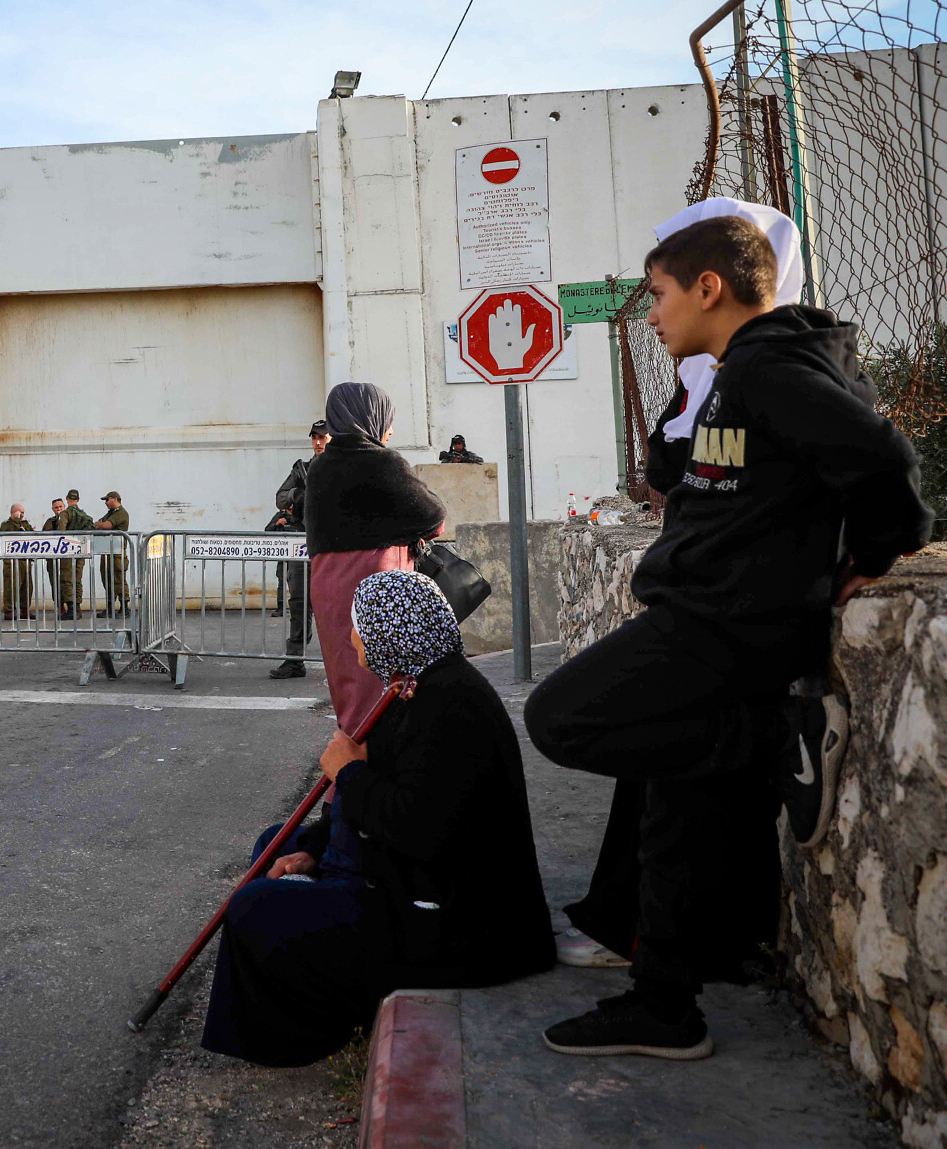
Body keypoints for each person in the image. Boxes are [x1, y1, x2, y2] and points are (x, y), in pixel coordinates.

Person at [525, 206, 931, 1060]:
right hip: (709, 617)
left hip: (725, 627)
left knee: (560, 716)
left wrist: (874, 552)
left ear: (710, 288)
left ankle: (760, 741)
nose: (653, 314)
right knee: (676, 796)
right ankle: (664, 1004)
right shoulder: (741, 368)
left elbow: (888, 464)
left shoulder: (770, 368)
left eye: (662, 295)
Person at [200, 570, 553, 1066]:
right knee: (277, 844)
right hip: (407, 881)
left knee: (254, 909)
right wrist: (316, 849)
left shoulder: (451, 707)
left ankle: (313, 1025)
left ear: (393, 630)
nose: (351, 638)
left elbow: (421, 829)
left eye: (360, 626)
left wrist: (348, 775)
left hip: (455, 929)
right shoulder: (421, 685)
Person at [302, 385, 446, 731]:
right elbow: (434, 518)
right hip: (377, 585)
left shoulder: (320, 468)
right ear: (370, 417)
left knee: (350, 688)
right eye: (388, 420)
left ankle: (352, 767)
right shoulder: (382, 461)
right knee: (385, 688)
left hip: (329, 586)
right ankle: (373, 775)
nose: (391, 430)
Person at [269, 420, 330, 680]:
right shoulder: (302, 469)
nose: (317, 442)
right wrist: (298, 495)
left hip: (332, 544)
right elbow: (280, 497)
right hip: (303, 543)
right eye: (314, 437)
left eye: (323, 437)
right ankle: (295, 660)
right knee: (298, 602)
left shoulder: (341, 468)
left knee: (336, 604)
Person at [40, 497, 78, 618]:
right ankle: (60, 607)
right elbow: (43, 535)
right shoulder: (49, 522)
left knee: (68, 581)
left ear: (64, 507)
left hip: (66, 557)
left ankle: (73, 607)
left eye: (61, 507)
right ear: (52, 509)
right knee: (54, 582)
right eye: (56, 508)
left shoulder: (70, 519)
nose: (59, 509)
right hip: (53, 557)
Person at [94, 490, 130, 616]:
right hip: (107, 550)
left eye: (107, 500)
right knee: (107, 578)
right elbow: (97, 524)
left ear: (115, 499)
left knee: (118, 578)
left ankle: (124, 607)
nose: (105, 503)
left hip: (117, 551)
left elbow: (106, 525)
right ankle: (110, 607)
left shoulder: (121, 513)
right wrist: (99, 524)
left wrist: (100, 525)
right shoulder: (111, 513)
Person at [0, 503, 36, 620]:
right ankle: (9, 610)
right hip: (12, 559)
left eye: (23, 512)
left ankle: (24, 609)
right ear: (13, 512)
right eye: (20, 512)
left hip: (25, 559)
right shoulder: (6, 524)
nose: (22, 515)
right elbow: (3, 535)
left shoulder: (26, 524)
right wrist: (16, 523)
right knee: (11, 585)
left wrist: (25, 530)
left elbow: (33, 536)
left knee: (27, 585)